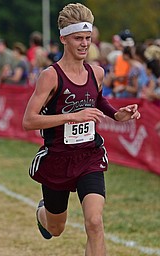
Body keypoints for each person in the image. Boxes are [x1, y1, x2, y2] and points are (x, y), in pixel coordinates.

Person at [22, 3, 141, 256]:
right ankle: (42, 212)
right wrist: (71, 117)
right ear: (64, 38)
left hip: (89, 156)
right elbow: (29, 121)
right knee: (56, 228)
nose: (85, 44)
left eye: (88, 38)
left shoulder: (96, 72)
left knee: (95, 223)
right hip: (57, 159)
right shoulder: (50, 76)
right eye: (78, 38)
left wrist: (119, 115)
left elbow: (98, 101)